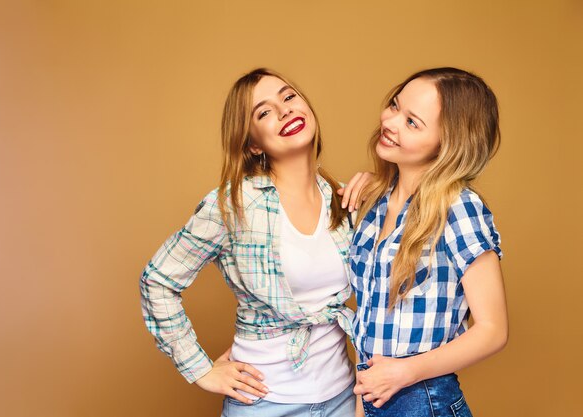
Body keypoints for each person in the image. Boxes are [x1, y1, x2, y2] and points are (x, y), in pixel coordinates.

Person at [140, 67, 370, 417]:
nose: (284, 110)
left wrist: (384, 182)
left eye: (289, 97)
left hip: (343, 397)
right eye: (264, 112)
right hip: (264, 405)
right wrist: (199, 368)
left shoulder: (344, 200)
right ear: (252, 143)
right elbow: (157, 280)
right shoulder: (235, 203)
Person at [350, 67, 508, 417]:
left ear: (447, 144)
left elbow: (493, 330)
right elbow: (371, 316)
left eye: (412, 122)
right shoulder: (376, 201)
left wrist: (404, 371)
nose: (390, 122)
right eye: (394, 106)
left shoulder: (460, 207)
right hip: (373, 395)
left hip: (423, 401)